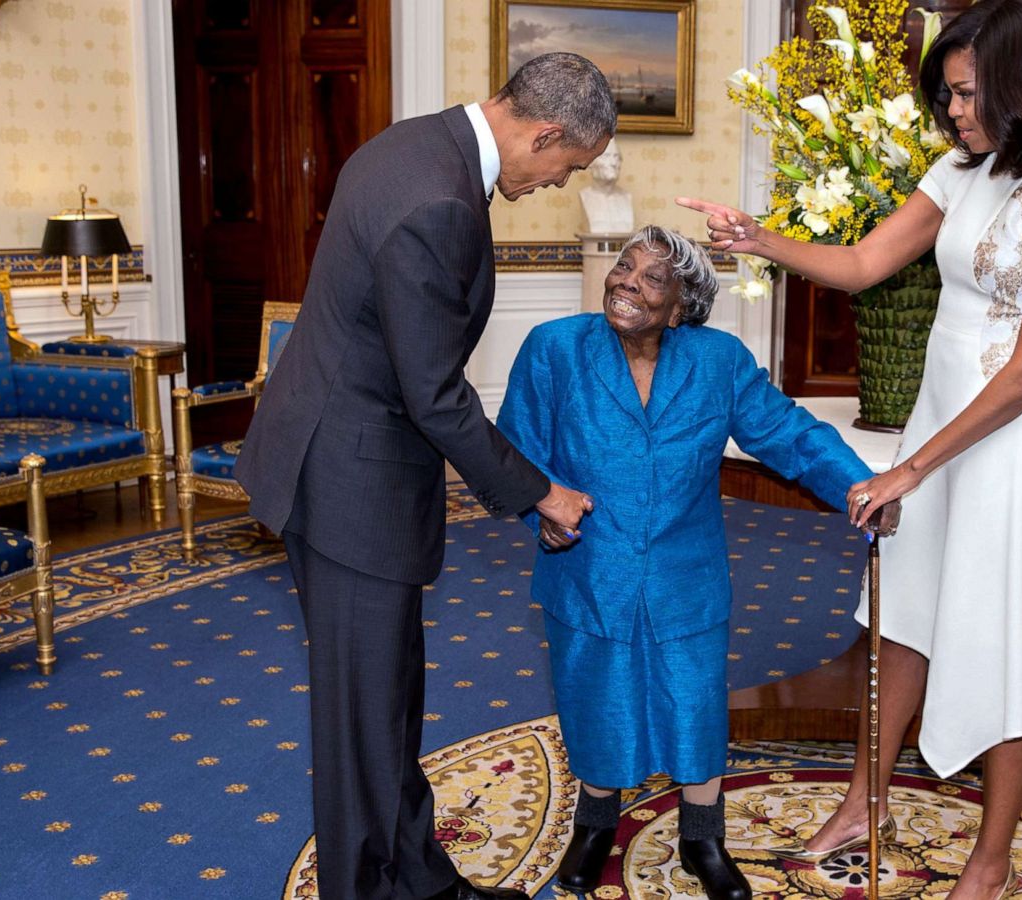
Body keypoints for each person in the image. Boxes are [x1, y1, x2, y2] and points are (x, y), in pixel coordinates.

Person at [678, 0, 1022, 896]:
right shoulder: (962, 170)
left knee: (1010, 636)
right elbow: (863, 263)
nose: (953, 112)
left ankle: (989, 863)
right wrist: (757, 237)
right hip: (942, 414)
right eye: (947, 95)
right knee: (901, 611)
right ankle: (864, 801)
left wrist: (911, 467)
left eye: (965, 93)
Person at [234, 53, 617, 900]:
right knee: (363, 721)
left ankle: (420, 884)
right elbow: (436, 400)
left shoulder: (413, 141)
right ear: (545, 132)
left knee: (383, 706)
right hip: (348, 485)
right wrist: (541, 492)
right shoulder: (441, 199)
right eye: (568, 167)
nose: (558, 183)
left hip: (329, 453)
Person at [496, 226, 895, 899]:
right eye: (625, 267)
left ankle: (702, 839)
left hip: (688, 573)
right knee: (595, 698)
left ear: (681, 307)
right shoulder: (554, 349)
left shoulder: (718, 362)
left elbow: (788, 434)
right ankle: (594, 827)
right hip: (588, 569)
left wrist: (860, 486)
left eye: (652, 279)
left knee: (695, 704)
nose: (628, 281)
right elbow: (514, 447)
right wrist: (543, 510)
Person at [579, 137, 635, 233]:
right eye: (606, 156)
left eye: (616, 157)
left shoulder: (627, 197)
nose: (613, 163)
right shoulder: (584, 196)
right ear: (590, 163)